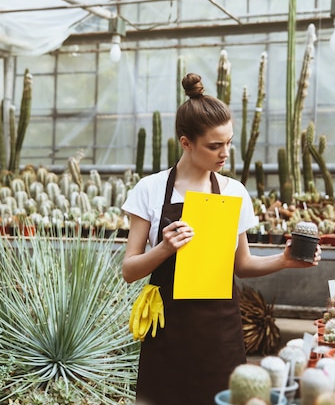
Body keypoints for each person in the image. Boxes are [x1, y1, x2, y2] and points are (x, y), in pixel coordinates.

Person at [121, 72, 321, 405]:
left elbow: (242, 265)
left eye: (228, 142)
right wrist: (164, 248)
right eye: (215, 145)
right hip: (168, 328)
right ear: (186, 142)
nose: (225, 153)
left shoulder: (234, 192)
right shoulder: (151, 190)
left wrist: (285, 260)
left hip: (219, 328)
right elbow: (129, 270)